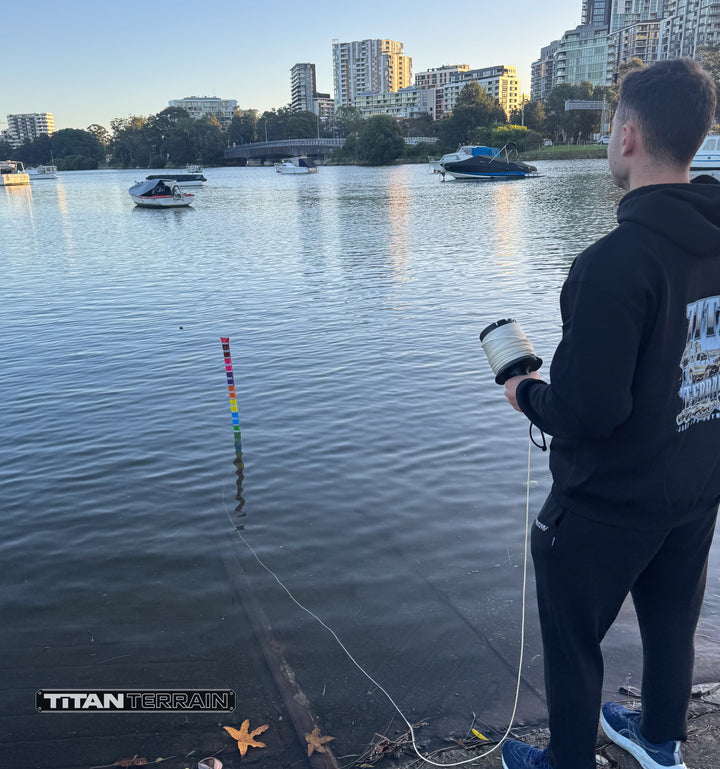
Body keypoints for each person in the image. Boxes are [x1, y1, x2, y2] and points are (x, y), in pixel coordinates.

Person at [500, 58, 720, 769]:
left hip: (609, 503)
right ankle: (660, 741)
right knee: (670, 624)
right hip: (695, 484)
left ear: (627, 135)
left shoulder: (614, 263)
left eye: (609, 125)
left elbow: (589, 410)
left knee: (571, 640)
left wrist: (524, 392)